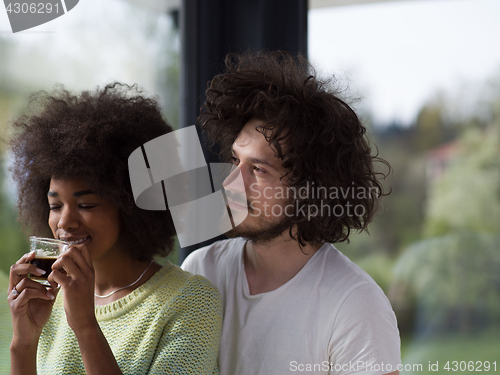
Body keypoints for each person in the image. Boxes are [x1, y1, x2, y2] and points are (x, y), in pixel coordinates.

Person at [181, 51, 401, 375]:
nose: (231, 182)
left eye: (257, 169)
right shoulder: (202, 271)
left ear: (311, 190)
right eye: (234, 160)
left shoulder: (355, 305)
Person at [7, 83, 222, 375]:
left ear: (132, 206)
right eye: (55, 206)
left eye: (87, 205)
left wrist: (85, 326)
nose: (65, 222)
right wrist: (24, 342)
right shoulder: (50, 299)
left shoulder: (191, 302)